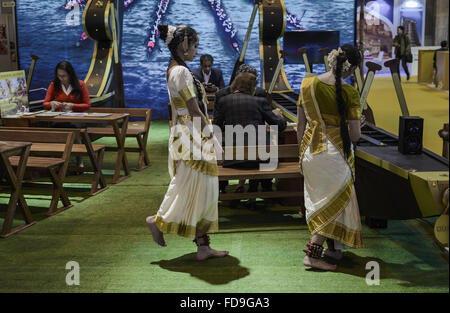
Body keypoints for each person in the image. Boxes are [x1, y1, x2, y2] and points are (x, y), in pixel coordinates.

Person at [146, 24, 229, 261]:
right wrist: (212, 137)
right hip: (192, 135)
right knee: (193, 187)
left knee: (198, 188)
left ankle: (203, 245)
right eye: (194, 46)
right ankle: (158, 221)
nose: (196, 50)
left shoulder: (174, 70)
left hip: (185, 133)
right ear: (184, 45)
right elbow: (194, 109)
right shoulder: (181, 72)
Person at [297, 44, 364, 271]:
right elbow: (355, 136)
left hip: (310, 152)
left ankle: (333, 250)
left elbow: (300, 125)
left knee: (319, 201)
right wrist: (357, 125)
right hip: (334, 154)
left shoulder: (306, 84)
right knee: (335, 202)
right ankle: (313, 253)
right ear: (352, 68)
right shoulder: (350, 92)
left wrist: (301, 156)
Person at [214, 72, 286, 208]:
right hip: (260, 160)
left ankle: (241, 190)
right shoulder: (260, 101)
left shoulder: (224, 101)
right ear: (252, 87)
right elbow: (279, 125)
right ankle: (257, 191)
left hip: (232, 160)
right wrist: (278, 116)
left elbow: (216, 128)